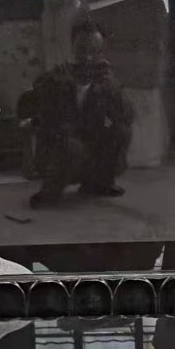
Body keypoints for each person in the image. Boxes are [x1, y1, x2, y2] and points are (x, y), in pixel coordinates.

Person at [27, 20, 134, 209]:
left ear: (102, 52)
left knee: (121, 131)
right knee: (72, 146)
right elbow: (35, 107)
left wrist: (113, 89)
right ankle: (49, 192)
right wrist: (54, 85)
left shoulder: (105, 83)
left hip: (89, 151)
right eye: (82, 50)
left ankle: (98, 184)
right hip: (60, 152)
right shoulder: (57, 77)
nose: (87, 57)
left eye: (94, 51)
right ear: (72, 48)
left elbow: (127, 117)